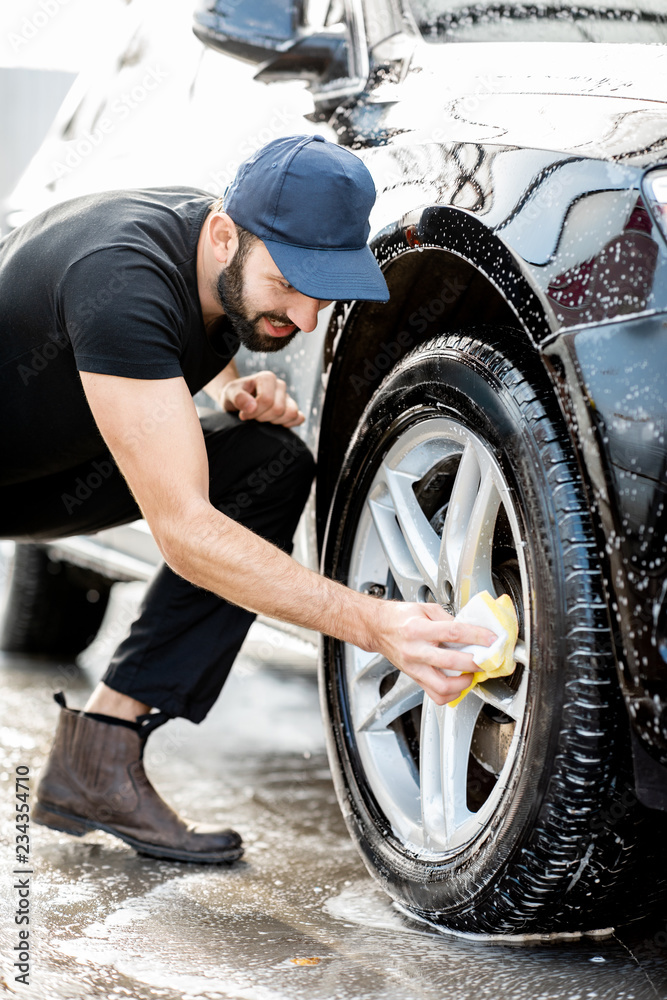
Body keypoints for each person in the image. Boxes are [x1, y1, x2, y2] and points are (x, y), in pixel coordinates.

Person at [0, 134, 494, 863]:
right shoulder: (120, 276)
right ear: (226, 234)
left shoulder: (208, 247)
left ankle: (98, 760)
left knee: (266, 462)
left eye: (322, 292)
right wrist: (372, 622)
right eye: (288, 284)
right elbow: (187, 534)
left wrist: (224, 384)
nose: (305, 317)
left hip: (37, 471)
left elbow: (189, 323)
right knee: (200, 518)